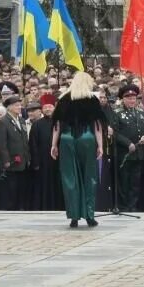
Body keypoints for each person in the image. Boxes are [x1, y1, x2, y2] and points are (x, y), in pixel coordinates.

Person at [50, 72, 106, 228]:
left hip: (67, 140)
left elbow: (57, 125)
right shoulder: (92, 99)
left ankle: (74, 216)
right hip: (87, 138)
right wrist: (100, 145)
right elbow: (97, 125)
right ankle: (89, 215)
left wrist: (54, 144)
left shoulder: (63, 99)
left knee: (70, 178)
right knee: (90, 176)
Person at [0, 95, 30, 211]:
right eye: (16, 105)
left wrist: (28, 157)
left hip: (22, 160)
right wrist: (6, 160)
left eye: (20, 105)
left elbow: (24, 140)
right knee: (11, 188)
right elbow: (1, 144)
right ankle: (11, 209)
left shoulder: (22, 120)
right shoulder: (2, 122)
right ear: (9, 108)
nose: (19, 107)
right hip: (11, 161)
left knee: (21, 188)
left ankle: (20, 208)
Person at [29, 93, 61, 211]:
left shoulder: (60, 122)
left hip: (58, 160)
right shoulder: (37, 124)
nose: (48, 109)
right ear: (42, 109)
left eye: (50, 107)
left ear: (54, 108)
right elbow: (33, 144)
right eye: (45, 107)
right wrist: (36, 162)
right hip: (42, 161)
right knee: (43, 184)